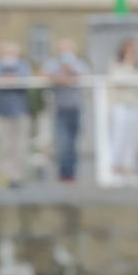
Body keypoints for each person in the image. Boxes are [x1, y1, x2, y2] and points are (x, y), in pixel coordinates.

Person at [0, 42, 31, 187]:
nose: (9, 56)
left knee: (21, 147)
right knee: (5, 147)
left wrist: (4, 79)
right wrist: (10, 78)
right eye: (6, 53)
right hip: (1, 113)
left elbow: (22, 79)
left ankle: (18, 177)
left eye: (12, 53)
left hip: (20, 113)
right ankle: (7, 177)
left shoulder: (23, 64)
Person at [42, 39, 89, 182]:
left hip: (76, 108)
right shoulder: (52, 63)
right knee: (63, 143)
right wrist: (62, 77)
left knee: (73, 143)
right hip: (59, 109)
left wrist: (70, 70)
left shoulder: (79, 64)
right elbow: (44, 74)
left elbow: (84, 76)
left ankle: (71, 174)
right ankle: (63, 174)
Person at [107, 38, 138, 184]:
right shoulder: (116, 65)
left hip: (135, 105)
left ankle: (129, 171)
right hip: (120, 104)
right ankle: (115, 169)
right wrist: (130, 69)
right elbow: (117, 80)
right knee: (119, 136)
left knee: (132, 139)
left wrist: (130, 76)